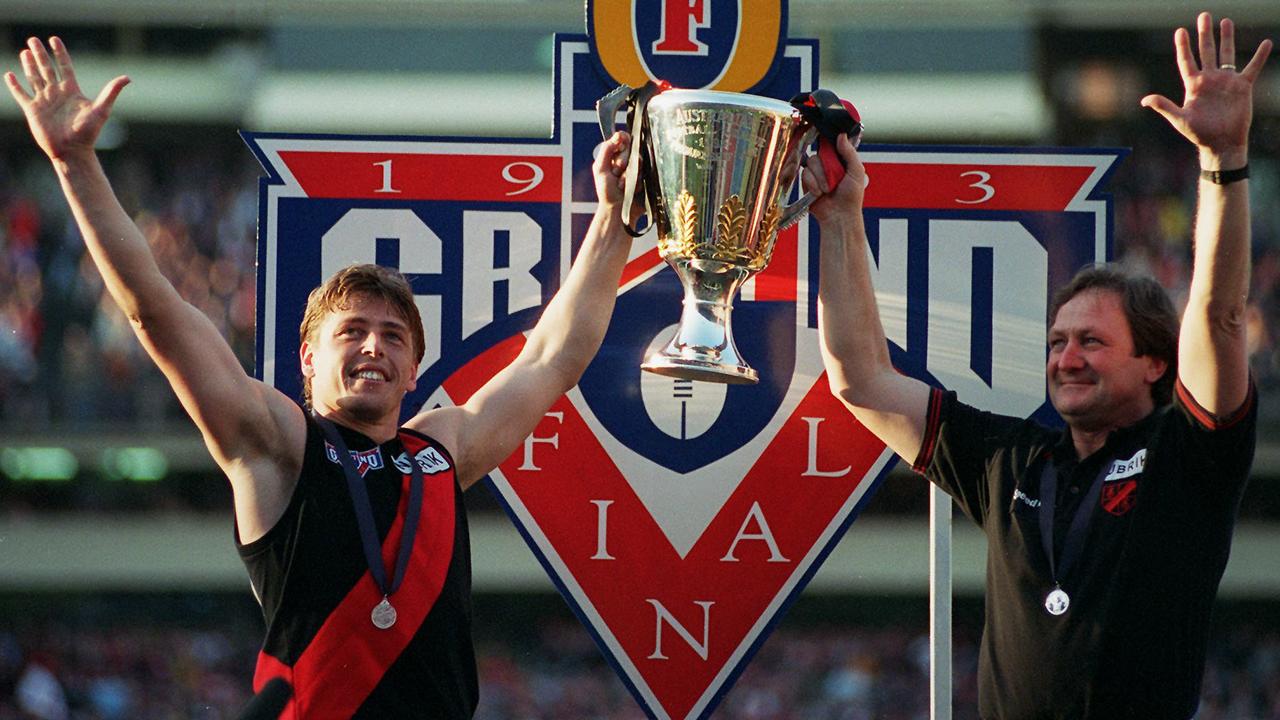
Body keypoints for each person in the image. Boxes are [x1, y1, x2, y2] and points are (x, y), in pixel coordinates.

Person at [6, 37, 636, 718]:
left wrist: (613, 215)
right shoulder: (279, 445)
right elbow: (156, 312)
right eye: (352, 332)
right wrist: (75, 166)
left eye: (394, 336)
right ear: (307, 359)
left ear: (414, 369)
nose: (374, 347)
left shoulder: (442, 450)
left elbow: (553, 356)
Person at [807, 12, 1270, 719]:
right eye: (1057, 342)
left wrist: (1223, 164)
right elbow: (860, 379)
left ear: (1155, 364)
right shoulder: (1010, 461)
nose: (1066, 358)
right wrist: (841, 217)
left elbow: (1219, 315)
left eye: (1091, 341)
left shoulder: (1189, 456)